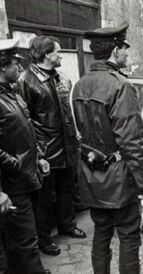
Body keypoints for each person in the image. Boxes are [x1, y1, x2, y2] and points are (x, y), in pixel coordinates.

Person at [72, 22, 143, 273]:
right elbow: (132, 142)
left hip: (91, 176)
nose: (127, 54)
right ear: (115, 50)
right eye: (125, 48)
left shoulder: (80, 85)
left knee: (101, 233)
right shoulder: (120, 85)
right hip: (119, 179)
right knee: (129, 236)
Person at [17, 35, 86, 256]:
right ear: (47, 55)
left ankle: (68, 225)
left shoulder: (60, 77)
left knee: (67, 190)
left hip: (66, 146)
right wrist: (38, 153)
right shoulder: (25, 80)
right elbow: (24, 121)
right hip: (45, 151)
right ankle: (44, 239)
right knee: (44, 199)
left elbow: (67, 112)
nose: (61, 56)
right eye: (58, 52)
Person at [0, 38, 51, 274]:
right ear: (2, 66)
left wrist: (38, 157)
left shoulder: (12, 95)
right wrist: (15, 164)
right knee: (25, 242)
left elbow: (25, 131)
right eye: (15, 64)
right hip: (13, 184)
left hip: (26, 178)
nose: (20, 69)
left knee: (24, 241)